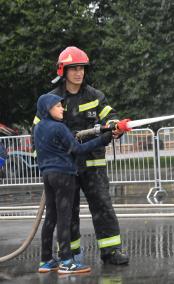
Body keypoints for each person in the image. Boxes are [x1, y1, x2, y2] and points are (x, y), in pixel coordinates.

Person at [32, 46, 129, 264]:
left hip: (93, 165)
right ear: (63, 71)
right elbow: (37, 133)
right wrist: (48, 163)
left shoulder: (95, 96)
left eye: (82, 68)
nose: (79, 72)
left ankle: (111, 251)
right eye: (74, 68)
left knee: (103, 207)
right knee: (67, 212)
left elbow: (110, 116)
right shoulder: (51, 100)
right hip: (65, 168)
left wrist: (114, 126)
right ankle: (70, 254)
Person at [34, 93, 113, 273]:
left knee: (51, 217)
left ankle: (46, 260)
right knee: (64, 218)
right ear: (47, 108)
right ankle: (67, 262)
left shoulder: (38, 128)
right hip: (64, 175)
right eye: (58, 106)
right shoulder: (59, 128)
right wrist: (102, 140)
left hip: (48, 175)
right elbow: (77, 149)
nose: (62, 108)